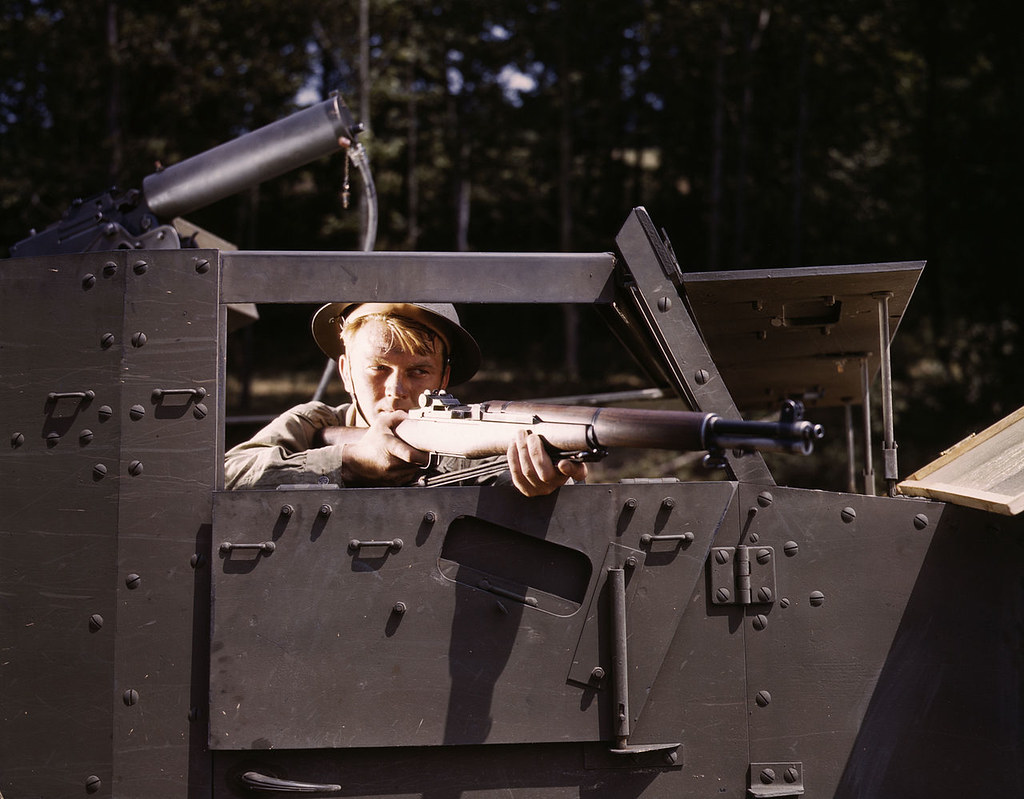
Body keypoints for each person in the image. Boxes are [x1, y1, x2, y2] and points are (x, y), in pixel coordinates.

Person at [224, 301, 588, 496]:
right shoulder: (317, 423)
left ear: (443, 377)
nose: (396, 390)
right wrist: (349, 462)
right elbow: (225, 477)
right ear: (347, 371)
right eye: (378, 369)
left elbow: (510, 480)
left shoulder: (468, 437)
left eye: (418, 372)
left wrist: (550, 483)